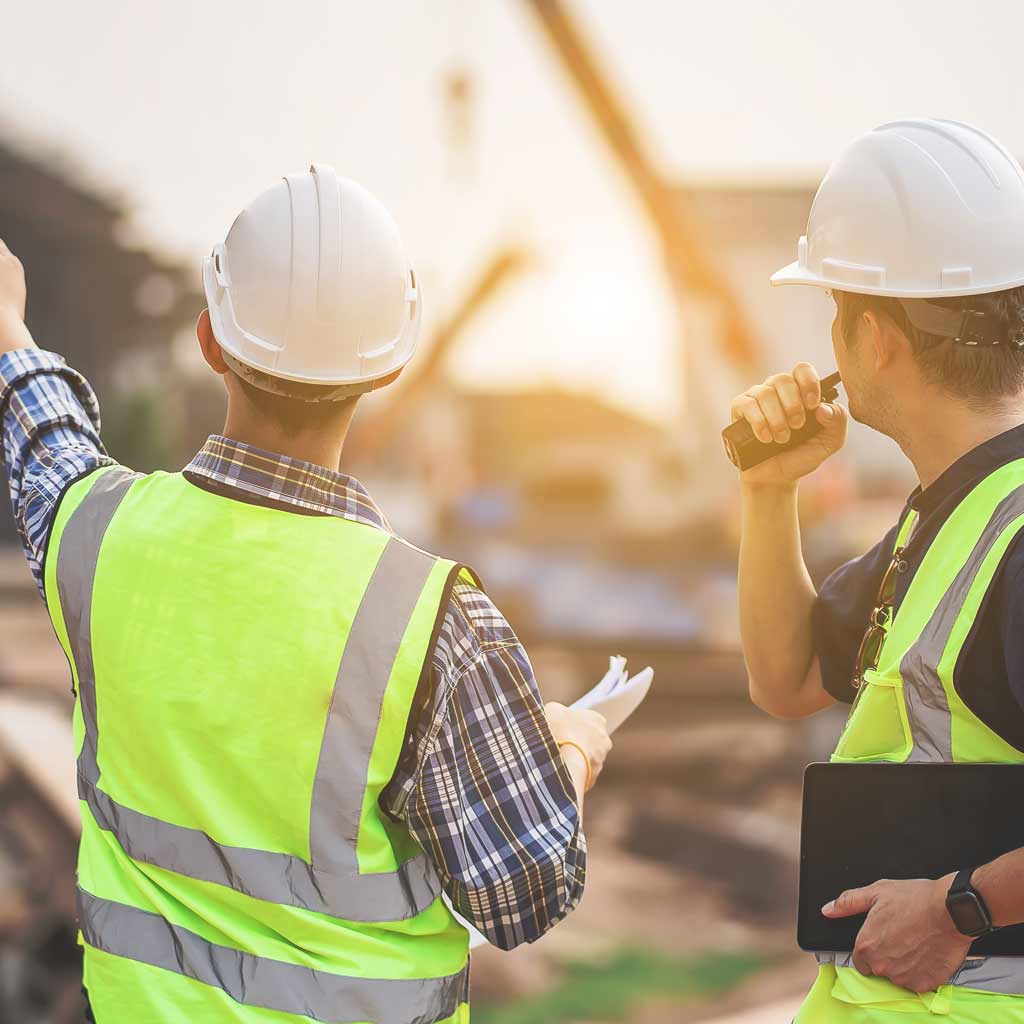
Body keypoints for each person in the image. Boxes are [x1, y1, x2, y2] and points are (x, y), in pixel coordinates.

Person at [0, 165, 612, 1023]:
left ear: (210, 341)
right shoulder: (434, 623)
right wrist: (572, 749)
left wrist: (9, 330)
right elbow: (523, 896)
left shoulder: (96, 539)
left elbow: (47, 452)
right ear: (391, 366)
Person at [733, 120, 1024, 1022]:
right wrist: (768, 489)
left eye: (833, 313)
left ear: (874, 336)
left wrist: (957, 908)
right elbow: (786, 679)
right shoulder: (949, 512)